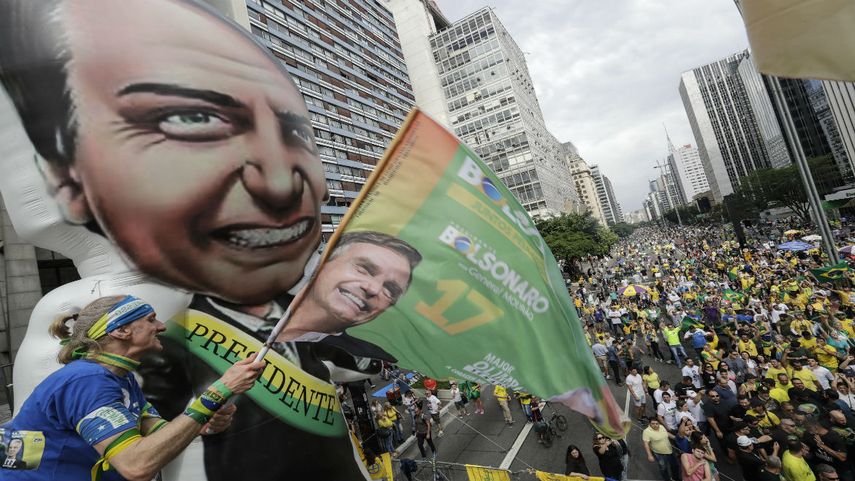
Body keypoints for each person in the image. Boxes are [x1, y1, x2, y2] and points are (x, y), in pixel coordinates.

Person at [1, 295, 264, 480]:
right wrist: (218, 391)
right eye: (151, 320)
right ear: (121, 331)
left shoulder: (120, 377)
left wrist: (203, 422)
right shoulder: (87, 380)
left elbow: (157, 433)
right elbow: (136, 465)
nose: (161, 327)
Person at [281, 231, 422, 352]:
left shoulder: (352, 361)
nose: (373, 289)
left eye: (390, 290)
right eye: (364, 269)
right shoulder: (263, 296)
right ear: (325, 262)